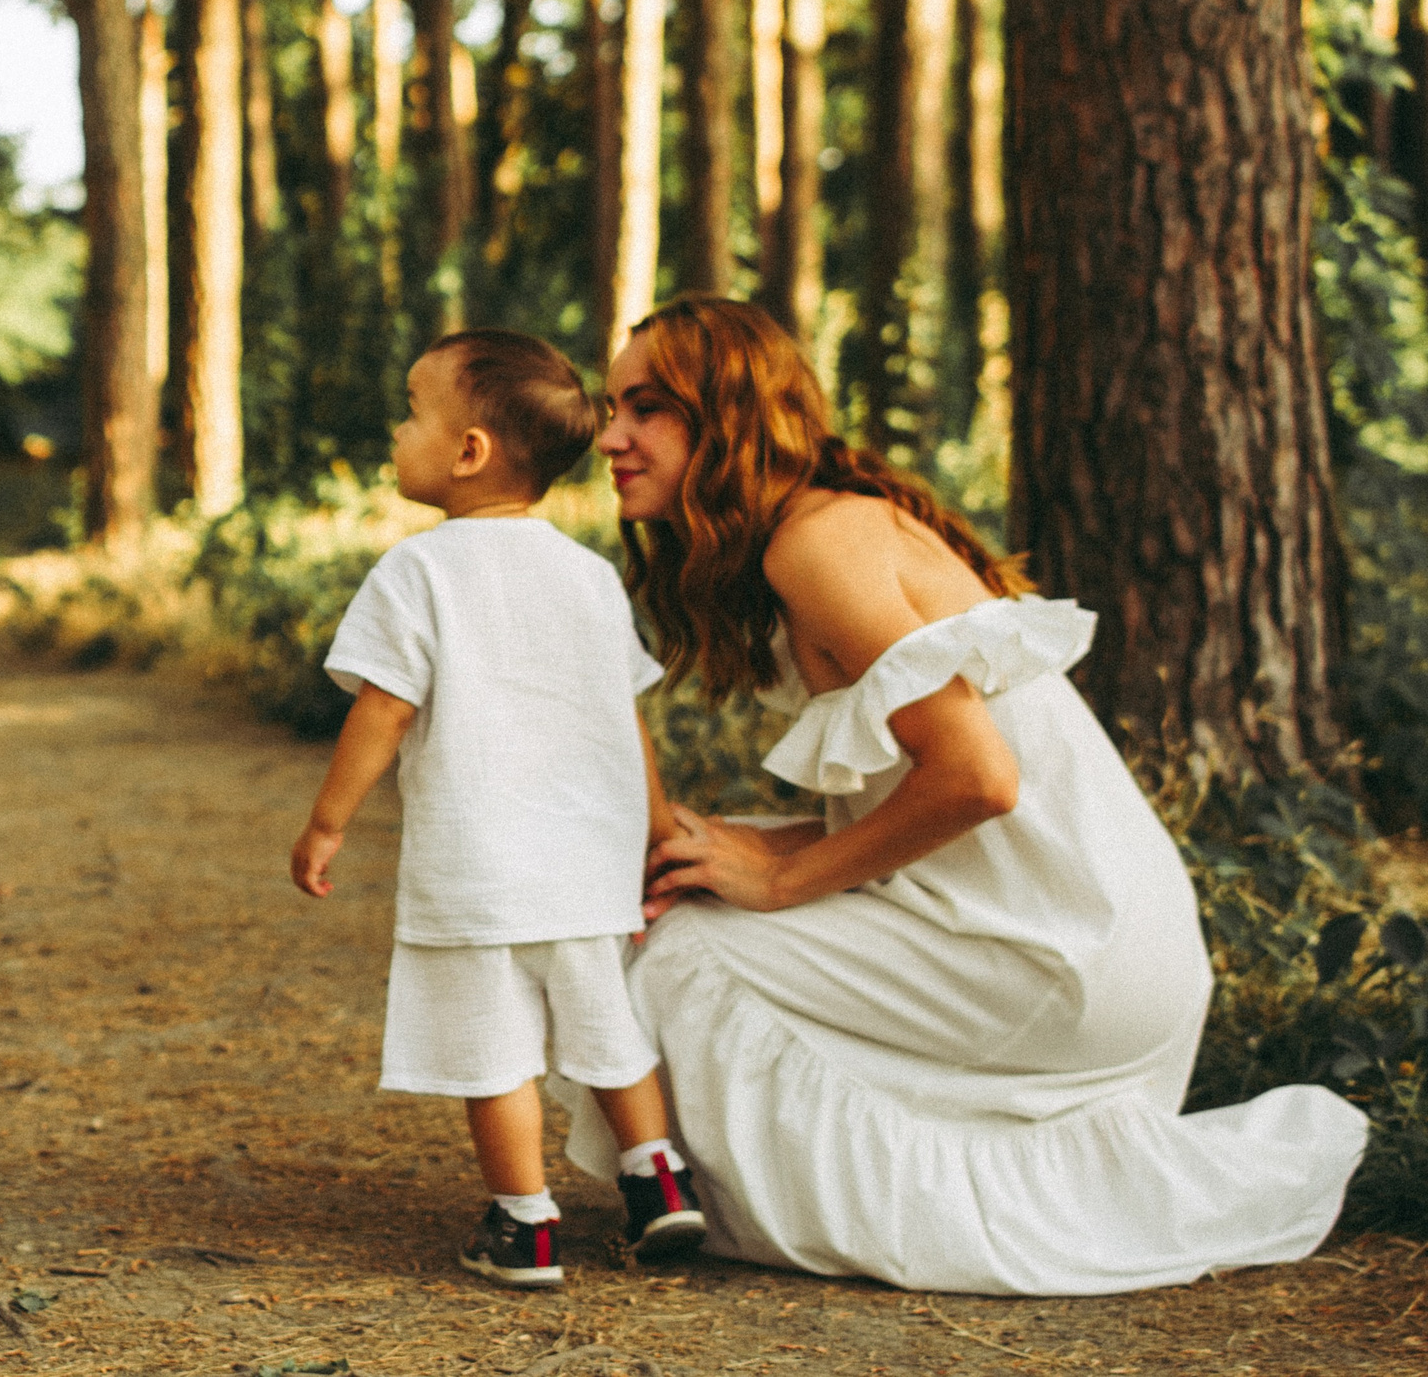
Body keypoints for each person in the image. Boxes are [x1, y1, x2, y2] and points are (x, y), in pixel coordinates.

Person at [568, 295, 1367, 1295]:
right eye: (611, 407)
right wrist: (753, 845)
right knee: (679, 888)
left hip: (1062, 948)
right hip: (1090, 932)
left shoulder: (814, 543)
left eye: (645, 408)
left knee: (677, 950)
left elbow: (979, 781)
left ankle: (761, 1209)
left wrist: (779, 882)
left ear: (727, 417)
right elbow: (930, 793)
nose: (610, 436)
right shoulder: (822, 532)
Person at [292, 329, 707, 1289]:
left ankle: (525, 1225)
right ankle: (659, 1185)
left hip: (479, 865)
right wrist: (653, 826)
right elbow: (624, 717)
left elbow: (383, 708)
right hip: (586, 864)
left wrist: (327, 821)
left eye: (411, 411)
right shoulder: (589, 575)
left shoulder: (419, 572)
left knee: (497, 1049)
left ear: (468, 450)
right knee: (608, 1028)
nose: (397, 431)